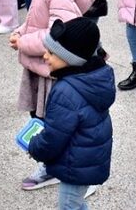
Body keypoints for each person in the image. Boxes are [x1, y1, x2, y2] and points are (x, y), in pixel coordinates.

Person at [26, 18, 115, 203]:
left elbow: (53, 137)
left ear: (69, 58)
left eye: (51, 52)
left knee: (68, 205)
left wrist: (34, 146)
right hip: (87, 158)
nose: (45, 56)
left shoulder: (66, 91)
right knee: (75, 203)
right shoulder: (93, 77)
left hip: (75, 164)